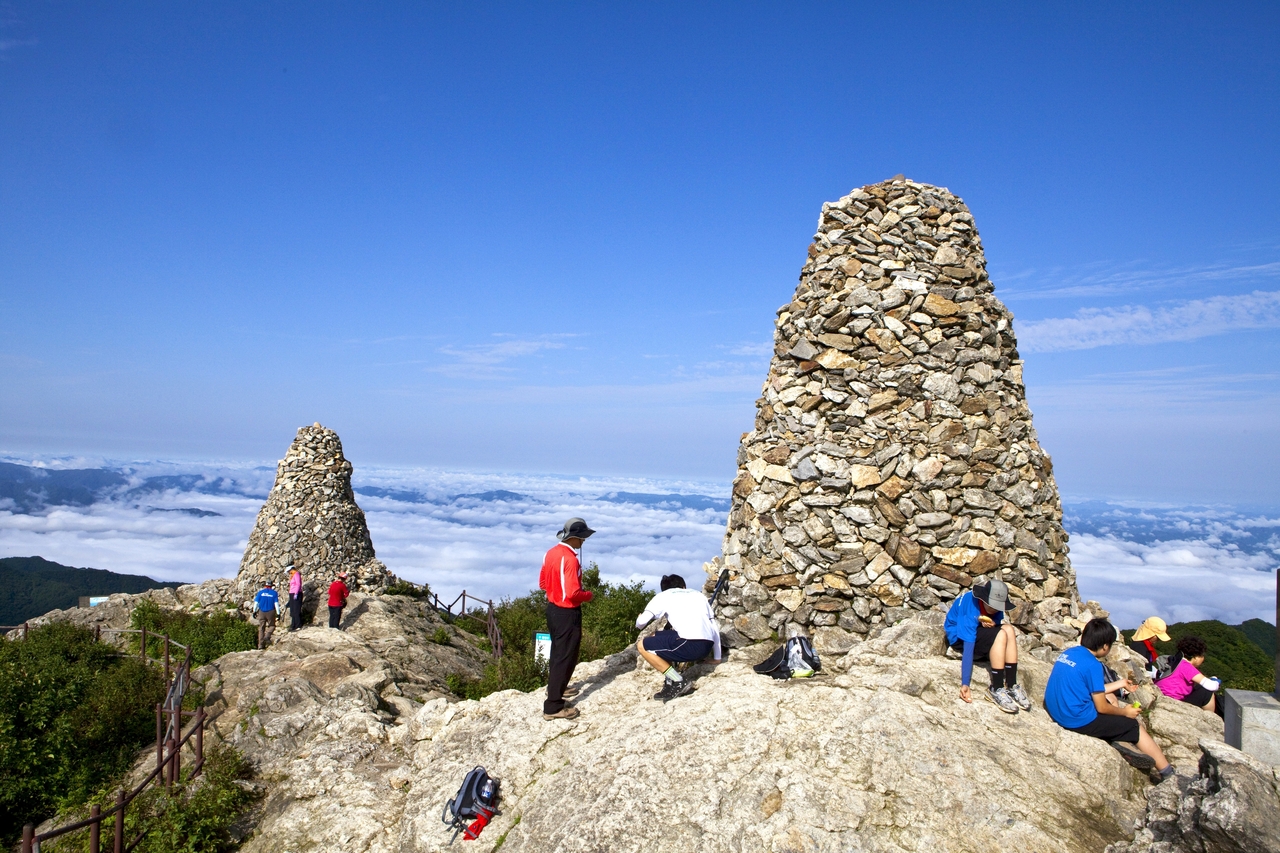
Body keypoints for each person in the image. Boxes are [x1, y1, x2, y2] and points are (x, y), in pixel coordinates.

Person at [1044, 618, 1175, 780]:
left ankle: (1119, 737)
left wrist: (1120, 683)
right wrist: (1124, 712)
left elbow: (1089, 688)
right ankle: (1167, 772)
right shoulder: (1093, 665)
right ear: (1105, 646)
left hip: (1057, 709)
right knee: (1133, 725)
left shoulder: (1070, 653)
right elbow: (1102, 708)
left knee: (1111, 697)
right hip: (1075, 719)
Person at [944, 578, 1031, 713]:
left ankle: (1012, 685)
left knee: (1008, 629)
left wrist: (991, 624)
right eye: (992, 605)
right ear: (984, 599)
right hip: (959, 637)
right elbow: (968, 645)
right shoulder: (971, 609)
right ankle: (996, 688)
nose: (995, 609)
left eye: (998, 606)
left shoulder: (996, 608)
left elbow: (996, 622)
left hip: (978, 630)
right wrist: (965, 684)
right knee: (1000, 635)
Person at [539, 518, 595, 721]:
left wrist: (556, 592)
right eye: (582, 538)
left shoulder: (550, 553)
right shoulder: (571, 559)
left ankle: (556, 688)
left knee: (558, 653)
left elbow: (543, 583)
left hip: (552, 610)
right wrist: (588, 595)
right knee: (566, 656)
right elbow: (572, 593)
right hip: (567, 612)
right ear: (575, 538)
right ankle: (553, 706)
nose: (583, 542)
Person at [634, 574, 722, 702]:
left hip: (689, 645)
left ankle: (678, 680)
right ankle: (670, 682)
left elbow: (641, 623)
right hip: (706, 646)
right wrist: (717, 658)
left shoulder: (663, 596)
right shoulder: (698, 595)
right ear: (683, 586)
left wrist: (638, 619)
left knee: (642, 645)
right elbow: (714, 626)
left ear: (663, 589)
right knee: (656, 636)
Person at [1155, 635, 1223, 717]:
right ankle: (1210, 719)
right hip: (1174, 701)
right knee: (1206, 691)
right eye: (1202, 656)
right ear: (1196, 657)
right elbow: (1211, 686)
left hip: (1162, 696)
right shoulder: (1186, 667)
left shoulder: (1174, 661)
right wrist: (1215, 681)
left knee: (1200, 687)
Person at [252, 580, 282, 649]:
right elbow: (276, 604)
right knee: (272, 626)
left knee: (261, 628)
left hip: (261, 611)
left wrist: (254, 611)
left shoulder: (260, 593)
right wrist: (278, 613)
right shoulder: (274, 593)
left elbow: (256, 603)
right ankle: (267, 636)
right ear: (271, 586)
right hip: (271, 611)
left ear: (265, 586)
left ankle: (260, 645)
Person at [287, 565, 304, 632]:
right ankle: (293, 625)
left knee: (296, 610)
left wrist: (296, 593)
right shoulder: (292, 575)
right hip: (292, 593)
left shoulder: (296, 574)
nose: (289, 572)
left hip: (296, 593)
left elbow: (298, 584)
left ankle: (298, 625)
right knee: (293, 610)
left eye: (289, 571)